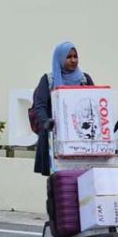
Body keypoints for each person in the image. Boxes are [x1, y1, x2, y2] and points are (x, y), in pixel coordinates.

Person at [32, 41, 95, 176]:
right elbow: (40, 106)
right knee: (59, 184)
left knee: (82, 180)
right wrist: (47, 123)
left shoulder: (84, 79)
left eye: (75, 56)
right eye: (68, 57)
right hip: (56, 139)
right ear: (59, 58)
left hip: (81, 139)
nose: (73, 60)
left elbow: (93, 103)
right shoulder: (48, 80)